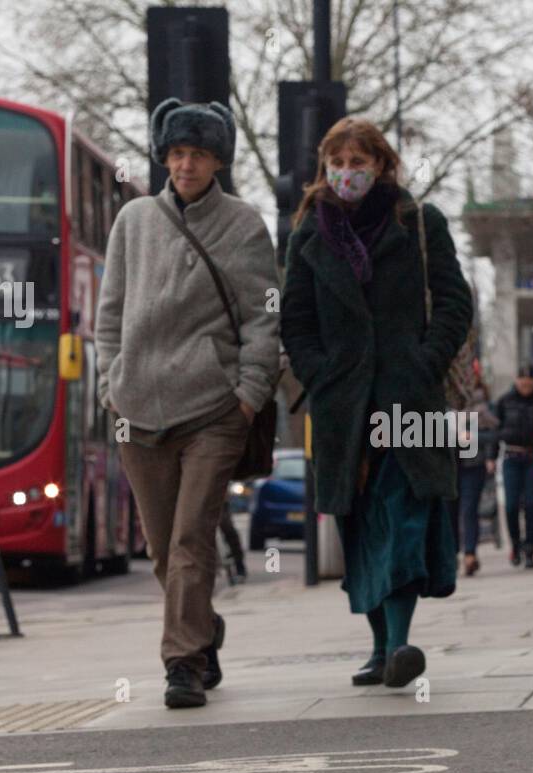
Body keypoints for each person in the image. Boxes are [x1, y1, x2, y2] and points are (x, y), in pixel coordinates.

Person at [95, 98, 279, 708]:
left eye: (198, 153)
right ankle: (202, 630)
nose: (186, 164)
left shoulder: (245, 225)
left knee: (190, 540)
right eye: (176, 153)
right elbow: (109, 314)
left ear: (218, 160)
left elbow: (263, 318)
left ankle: (182, 666)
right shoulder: (134, 220)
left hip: (213, 412)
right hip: (136, 410)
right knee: (160, 547)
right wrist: (110, 385)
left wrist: (247, 396)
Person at [281, 117, 472, 689]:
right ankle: (381, 646)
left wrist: (424, 361)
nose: (347, 173)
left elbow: (455, 302)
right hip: (342, 407)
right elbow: (295, 320)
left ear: (382, 165)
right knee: (359, 520)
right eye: (337, 163)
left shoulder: (420, 222)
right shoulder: (308, 233)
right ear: (325, 168)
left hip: (411, 398)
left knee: (404, 512)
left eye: (358, 162)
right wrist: (321, 375)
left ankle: (401, 643)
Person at [490, 364, 533, 569]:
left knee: (530, 504)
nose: (526, 385)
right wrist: (491, 457)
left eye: (530, 382)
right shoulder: (504, 401)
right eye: (522, 381)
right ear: (516, 380)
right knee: (511, 505)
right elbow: (495, 430)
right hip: (511, 456)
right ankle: (515, 544)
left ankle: (530, 549)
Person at [458, 381, 498, 576]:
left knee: (469, 510)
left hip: (474, 464)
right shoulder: (441, 400)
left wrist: (489, 455)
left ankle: (470, 554)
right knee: (449, 511)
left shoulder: (483, 407)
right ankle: (452, 553)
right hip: (449, 464)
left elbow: (493, 433)